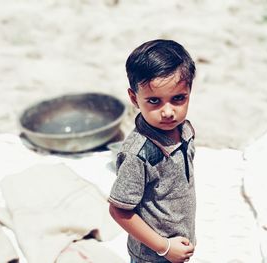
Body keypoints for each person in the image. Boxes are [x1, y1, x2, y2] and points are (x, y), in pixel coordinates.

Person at [108, 39, 197, 263]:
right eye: (154, 101)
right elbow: (119, 211)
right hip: (153, 254)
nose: (168, 112)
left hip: (180, 243)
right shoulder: (139, 154)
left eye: (178, 98)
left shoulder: (184, 130)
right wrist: (165, 247)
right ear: (134, 98)